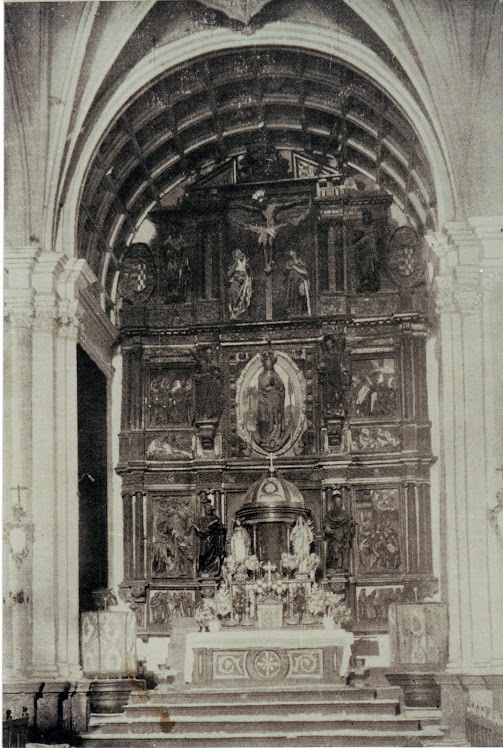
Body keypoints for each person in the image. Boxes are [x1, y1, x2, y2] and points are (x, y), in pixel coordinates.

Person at [256, 349, 286, 451]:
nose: (268, 364)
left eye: (269, 362)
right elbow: (260, 389)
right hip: (263, 401)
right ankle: (265, 438)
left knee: (273, 418)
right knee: (263, 419)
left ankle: (274, 437)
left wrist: (275, 386)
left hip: (274, 401)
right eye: (266, 362)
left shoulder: (275, 375)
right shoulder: (261, 376)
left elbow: (281, 387)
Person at [324, 491, 356, 573]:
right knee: (334, 551)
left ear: (341, 502)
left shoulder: (346, 514)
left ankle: (343, 568)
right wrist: (327, 527)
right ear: (333, 502)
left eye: (338, 501)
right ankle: (334, 568)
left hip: (344, 536)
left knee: (344, 551)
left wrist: (351, 525)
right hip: (333, 536)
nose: (337, 503)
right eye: (335, 501)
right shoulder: (329, 514)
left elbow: (350, 523)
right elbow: (325, 523)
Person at [193, 499, 226, 577]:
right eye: (206, 508)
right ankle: (203, 571)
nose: (208, 510)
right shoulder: (201, 520)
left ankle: (213, 571)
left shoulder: (214, 519)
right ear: (204, 509)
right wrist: (200, 530)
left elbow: (221, 529)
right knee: (203, 556)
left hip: (213, 541)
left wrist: (214, 527)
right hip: (203, 542)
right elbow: (198, 530)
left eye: (209, 508)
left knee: (213, 556)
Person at [228, 249, 252, 320]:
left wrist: (248, 282)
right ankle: (234, 313)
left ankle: (241, 314)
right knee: (234, 296)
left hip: (244, 284)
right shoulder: (235, 264)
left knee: (244, 297)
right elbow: (229, 273)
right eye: (238, 254)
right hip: (236, 283)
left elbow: (249, 274)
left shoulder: (246, 265)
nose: (241, 256)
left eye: (241, 254)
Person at [285, 249, 311, 316]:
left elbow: (305, 270)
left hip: (301, 280)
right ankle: (293, 312)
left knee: (302, 294)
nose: (291, 253)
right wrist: (302, 272)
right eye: (290, 252)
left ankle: (303, 311)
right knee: (293, 295)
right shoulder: (290, 262)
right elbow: (299, 270)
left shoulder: (301, 261)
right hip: (293, 281)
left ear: (295, 252)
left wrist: (304, 273)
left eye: (292, 251)